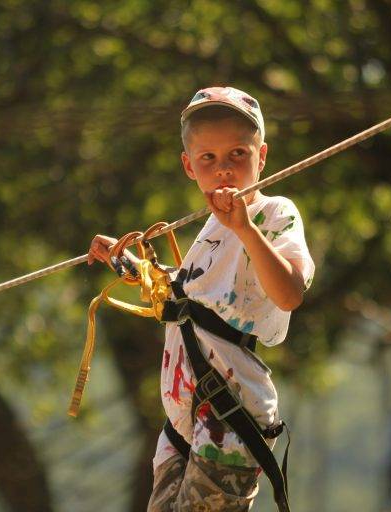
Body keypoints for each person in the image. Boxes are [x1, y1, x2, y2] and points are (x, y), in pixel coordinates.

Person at [87, 86, 315, 511]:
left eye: (237, 155)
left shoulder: (273, 213)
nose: (224, 170)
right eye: (208, 158)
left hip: (229, 414)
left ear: (261, 157)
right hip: (183, 423)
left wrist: (246, 228)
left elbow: (289, 294)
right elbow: (185, 300)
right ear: (189, 166)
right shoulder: (209, 232)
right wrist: (125, 262)